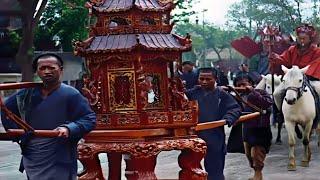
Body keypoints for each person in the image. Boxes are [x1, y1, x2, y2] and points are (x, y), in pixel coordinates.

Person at [1, 53, 96, 180]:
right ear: (37, 71)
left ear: (60, 70)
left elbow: (89, 118)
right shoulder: (26, 93)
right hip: (33, 153)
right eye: (42, 68)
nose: (47, 71)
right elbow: (6, 110)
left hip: (60, 152)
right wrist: (19, 133)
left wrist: (68, 129)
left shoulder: (71, 94)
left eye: (51, 68)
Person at [185, 68, 241, 180]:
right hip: (195, 135)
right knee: (190, 167)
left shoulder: (222, 94)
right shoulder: (192, 93)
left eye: (208, 79)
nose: (204, 82)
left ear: (215, 79)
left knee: (215, 170)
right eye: (201, 79)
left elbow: (235, 109)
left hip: (215, 135)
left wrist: (227, 119)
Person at [269, 24, 320, 113]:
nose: (302, 40)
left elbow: (315, 65)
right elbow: (284, 60)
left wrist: (303, 72)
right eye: (300, 38)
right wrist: (276, 58)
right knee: (276, 93)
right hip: (292, 78)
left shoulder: (317, 51)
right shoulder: (292, 49)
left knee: (318, 89)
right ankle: (282, 113)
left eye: (304, 38)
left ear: (310, 39)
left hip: (310, 77)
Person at [234, 73, 273, 180]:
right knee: (248, 154)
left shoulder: (261, 92)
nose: (242, 87)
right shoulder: (237, 96)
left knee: (256, 154)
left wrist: (253, 92)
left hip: (260, 129)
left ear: (251, 84)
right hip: (247, 130)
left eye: (244, 84)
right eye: (239, 85)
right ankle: (255, 171)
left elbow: (268, 104)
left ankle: (258, 174)